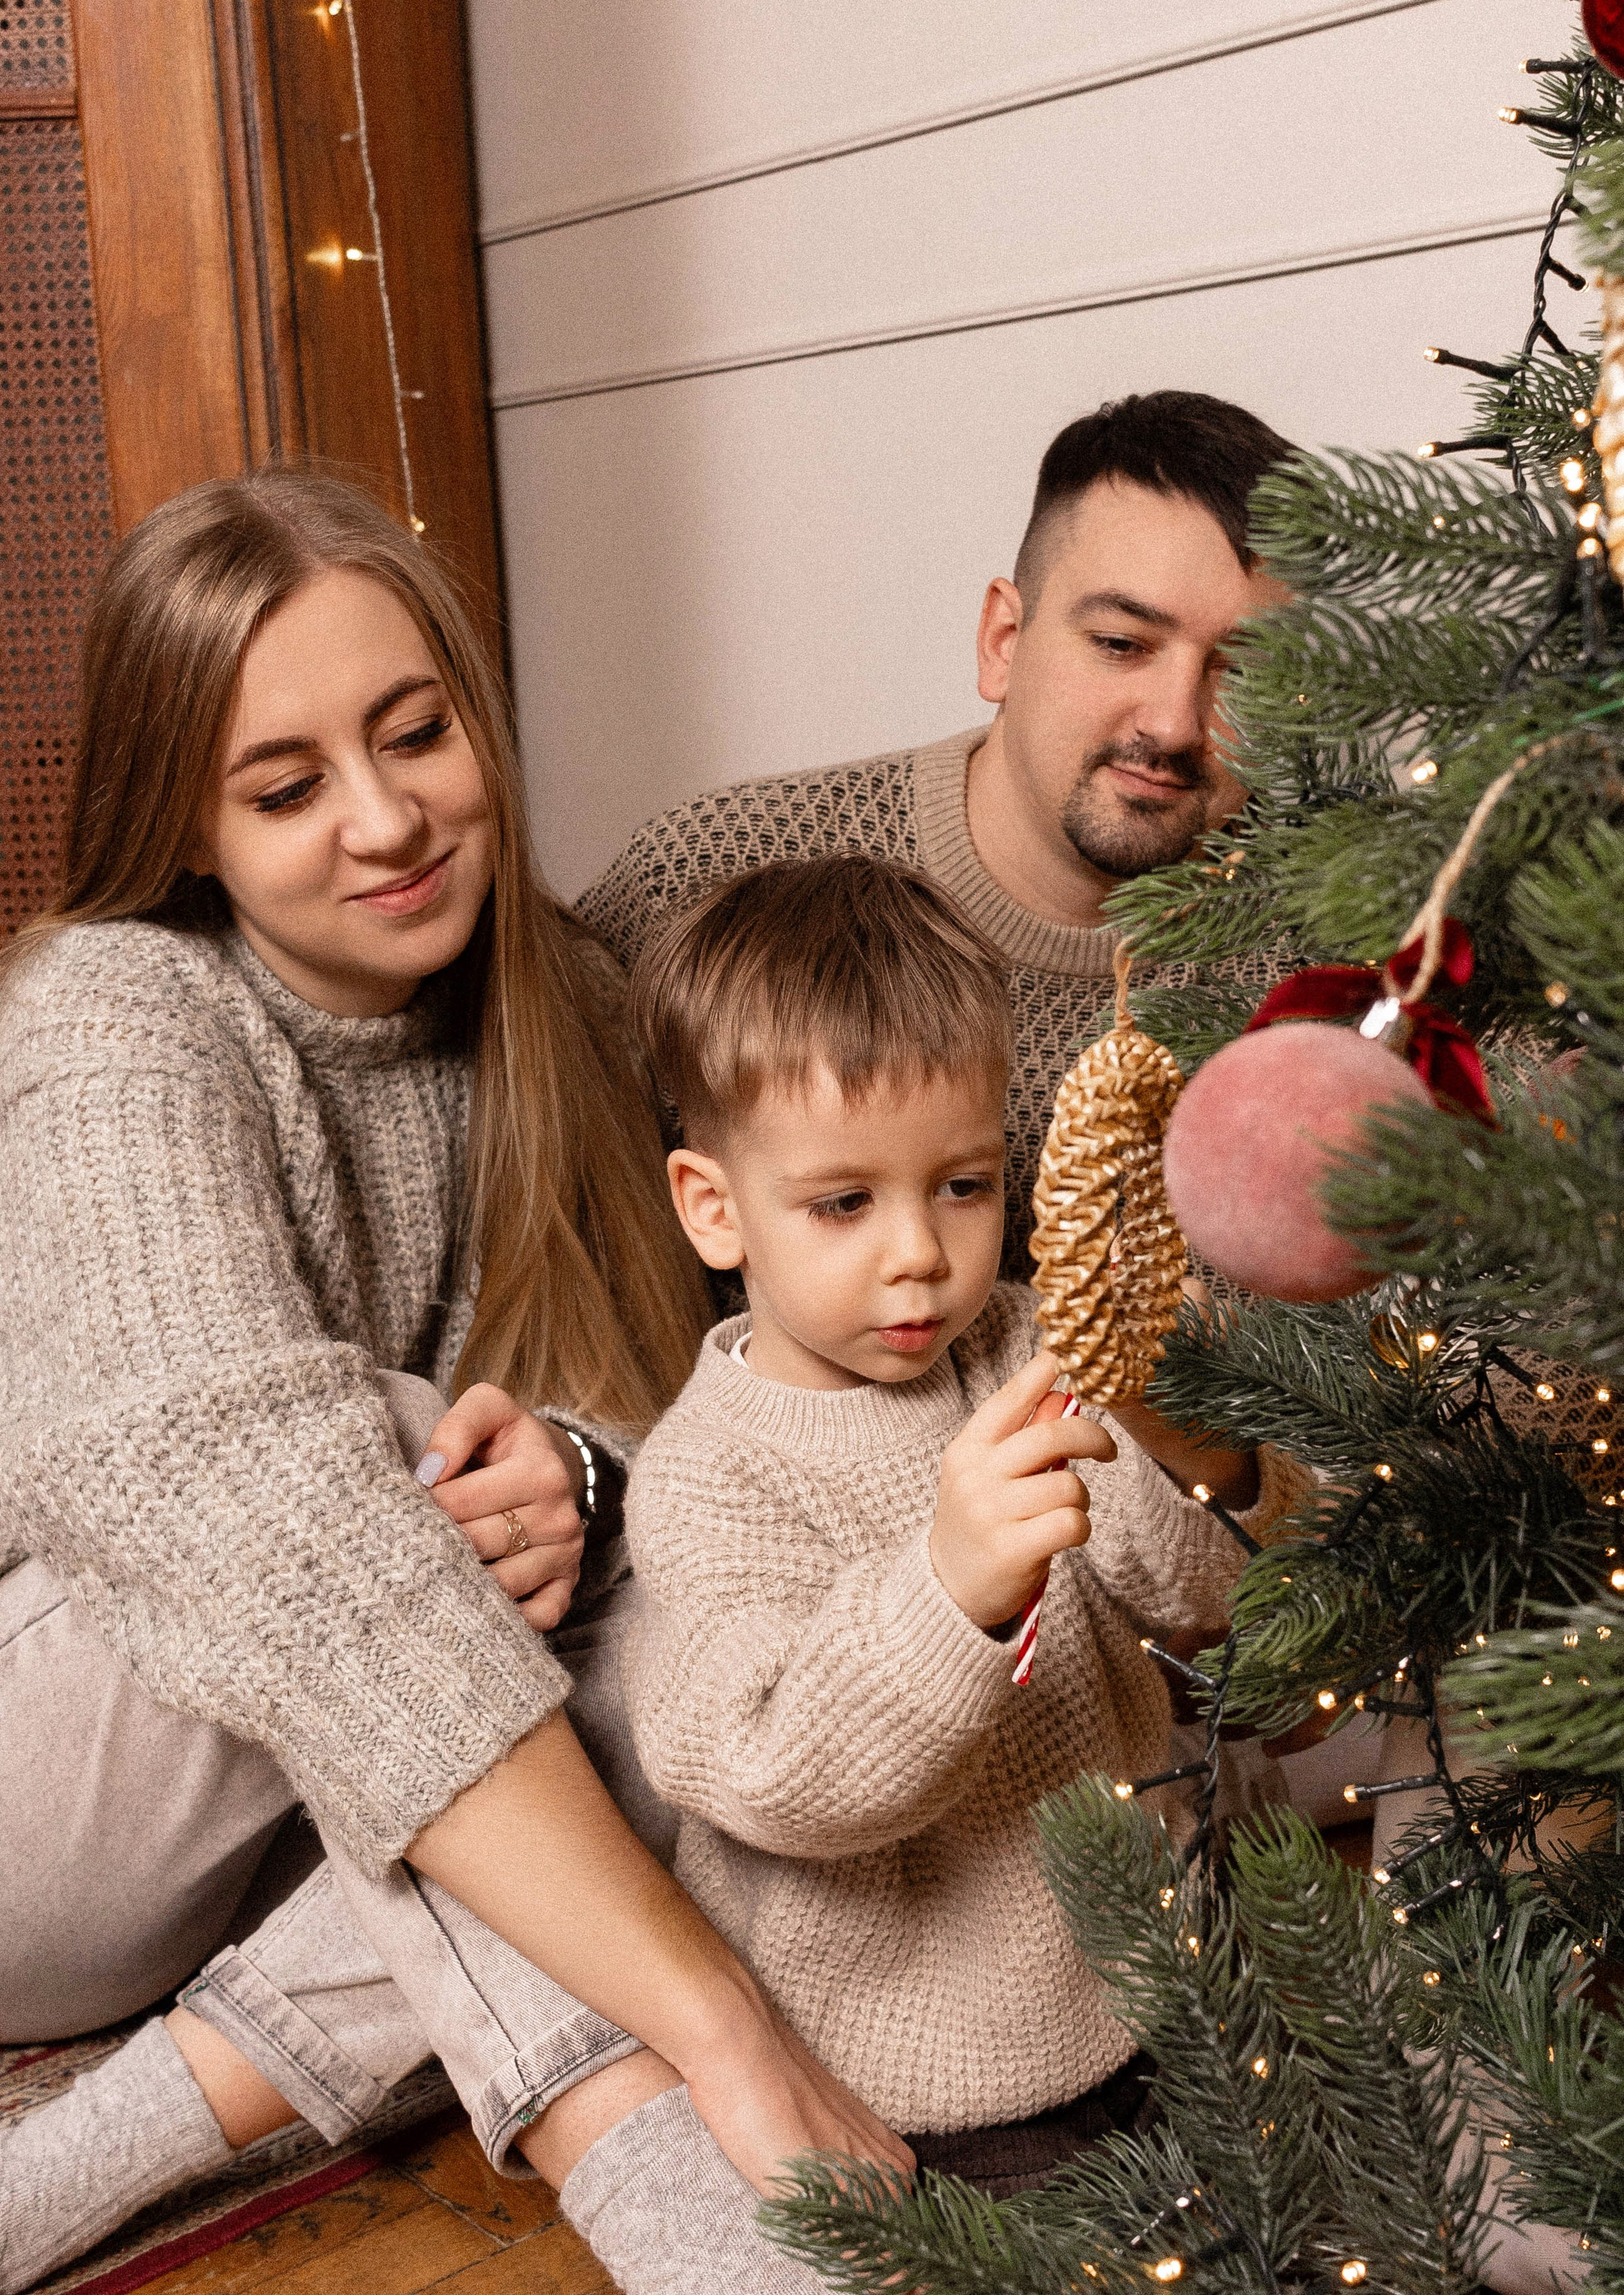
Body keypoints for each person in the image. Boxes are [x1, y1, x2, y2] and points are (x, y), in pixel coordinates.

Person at [0, 470, 907, 2295]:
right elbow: (279, 1540)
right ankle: (680, 2196)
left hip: (267, 1847)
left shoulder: (562, 996)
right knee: (389, 1472)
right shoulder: (117, 1014)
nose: (388, 818)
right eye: (288, 786)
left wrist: (584, 1472)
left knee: (681, 1654)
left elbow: (717, 1409)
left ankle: (95, 2158)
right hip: (46, 1791)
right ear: (186, 823)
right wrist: (720, 2018)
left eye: (416, 735)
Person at [619, 856, 1302, 2197]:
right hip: (930, 2089)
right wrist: (950, 1594)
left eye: (962, 1186)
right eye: (841, 1204)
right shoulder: (707, 1475)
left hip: (1160, 1982)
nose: (918, 1254)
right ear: (715, 1208)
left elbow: (1210, 1605)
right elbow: (773, 1780)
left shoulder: (1026, 1351)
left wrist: (1179, 1447)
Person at [580, 390, 1297, 1272]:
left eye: (1244, 672)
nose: (1178, 723)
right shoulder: (706, 875)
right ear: (1003, 639)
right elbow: (542, 1237)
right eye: (1121, 644)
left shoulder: (1357, 953)